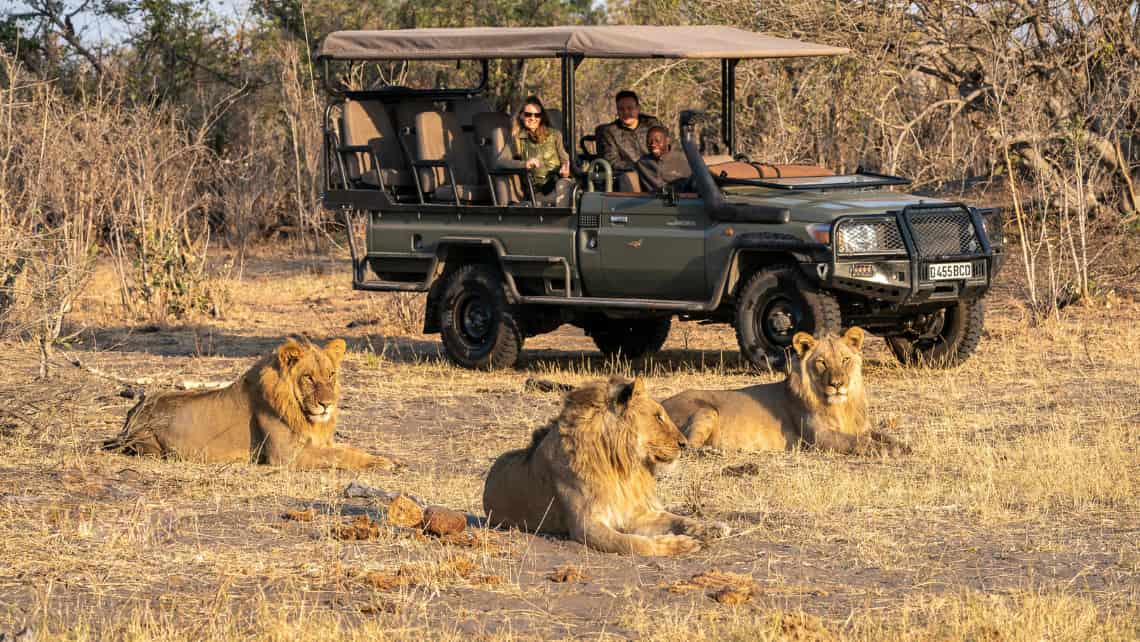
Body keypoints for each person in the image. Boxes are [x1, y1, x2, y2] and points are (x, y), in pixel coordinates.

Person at [495, 96, 572, 206]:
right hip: (539, 192)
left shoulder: (555, 135)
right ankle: (562, 221)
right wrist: (524, 164)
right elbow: (500, 161)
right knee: (566, 193)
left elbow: (565, 159)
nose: (532, 118)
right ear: (521, 115)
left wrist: (566, 169)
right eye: (528, 114)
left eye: (537, 115)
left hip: (560, 183)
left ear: (542, 117)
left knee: (567, 187)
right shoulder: (517, 138)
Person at [599, 90, 662, 191]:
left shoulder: (652, 124)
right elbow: (612, 161)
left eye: (630, 108)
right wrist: (639, 167)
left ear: (638, 109)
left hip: (656, 170)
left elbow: (664, 148)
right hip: (632, 175)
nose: (626, 112)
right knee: (628, 179)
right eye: (621, 109)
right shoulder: (609, 132)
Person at [636, 125, 691, 192]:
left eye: (657, 141)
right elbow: (657, 187)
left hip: (686, 199)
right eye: (649, 141)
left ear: (667, 141)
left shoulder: (684, 159)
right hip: (655, 200)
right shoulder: (643, 163)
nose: (653, 144)